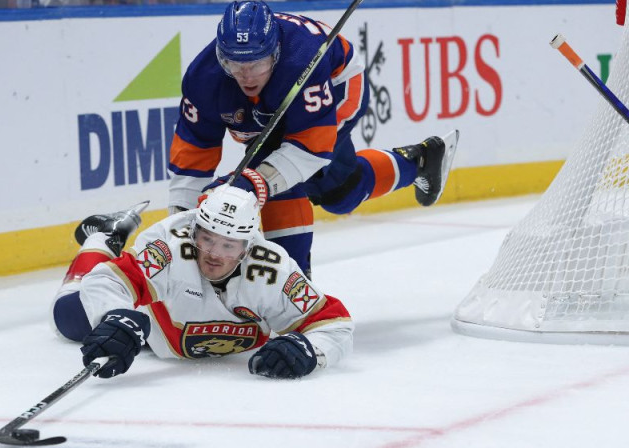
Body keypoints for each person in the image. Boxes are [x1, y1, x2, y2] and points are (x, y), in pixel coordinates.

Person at [168, 1, 458, 278]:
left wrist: (251, 185)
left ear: (275, 53)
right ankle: (419, 162)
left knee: (272, 176)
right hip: (276, 108)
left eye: (256, 63)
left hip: (338, 84)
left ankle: (291, 281)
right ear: (221, 57)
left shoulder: (303, 59)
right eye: (234, 63)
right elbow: (192, 155)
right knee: (339, 193)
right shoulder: (203, 78)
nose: (245, 75)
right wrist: (177, 227)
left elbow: (310, 149)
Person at [51, 184, 353, 379]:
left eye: (228, 246)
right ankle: (103, 237)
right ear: (194, 233)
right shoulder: (171, 251)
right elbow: (107, 280)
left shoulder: (273, 271)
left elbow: (334, 323)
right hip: (150, 326)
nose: (213, 255)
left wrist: (312, 350)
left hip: (178, 336)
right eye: (206, 239)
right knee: (65, 316)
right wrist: (115, 316)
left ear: (247, 248)